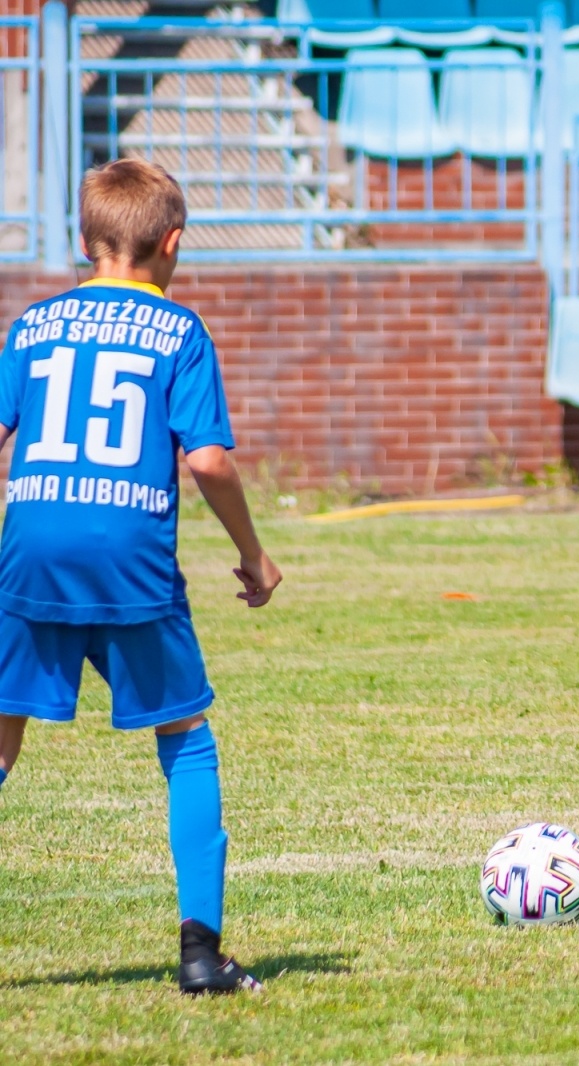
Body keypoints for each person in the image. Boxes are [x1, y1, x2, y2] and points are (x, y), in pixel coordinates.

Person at [0, 159, 282, 992]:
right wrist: (253, 555)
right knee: (185, 739)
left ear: (84, 243)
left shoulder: (34, 324)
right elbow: (208, 460)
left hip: (31, 547)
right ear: (174, 243)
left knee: (3, 736)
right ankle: (201, 954)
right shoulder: (181, 333)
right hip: (130, 559)